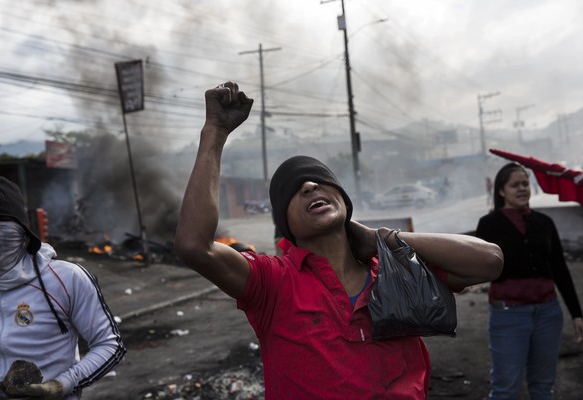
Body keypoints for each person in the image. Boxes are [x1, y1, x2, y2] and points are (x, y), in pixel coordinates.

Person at [175, 81, 503, 399]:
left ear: (344, 201)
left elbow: (490, 261)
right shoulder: (273, 282)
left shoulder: (395, 271)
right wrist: (215, 133)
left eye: (318, 180)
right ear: (285, 224)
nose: (308, 187)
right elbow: (195, 245)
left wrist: (382, 239)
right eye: (294, 190)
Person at [0, 174, 126, 400]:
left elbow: (110, 345)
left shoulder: (66, 278)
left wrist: (61, 385)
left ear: (22, 229)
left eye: (1, 219)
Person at [476, 162, 583, 400]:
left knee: (543, 387)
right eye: (515, 185)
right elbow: (477, 267)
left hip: (548, 313)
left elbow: (559, 269)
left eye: (525, 183)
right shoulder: (489, 225)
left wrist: (576, 313)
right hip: (508, 315)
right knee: (505, 389)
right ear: (501, 191)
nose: (522, 188)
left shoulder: (544, 223)